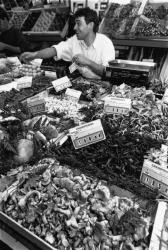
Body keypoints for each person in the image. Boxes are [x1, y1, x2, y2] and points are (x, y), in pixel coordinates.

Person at [20, 7, 115, 79]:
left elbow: (108, 73)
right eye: (74, 24)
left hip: (103, 85)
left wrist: (88, 62)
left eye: (78, 23)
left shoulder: (105, 43)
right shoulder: (75, 40)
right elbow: (55, 50)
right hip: (82, 82)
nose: (74, 28)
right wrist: (34, 55)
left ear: (90, 25)